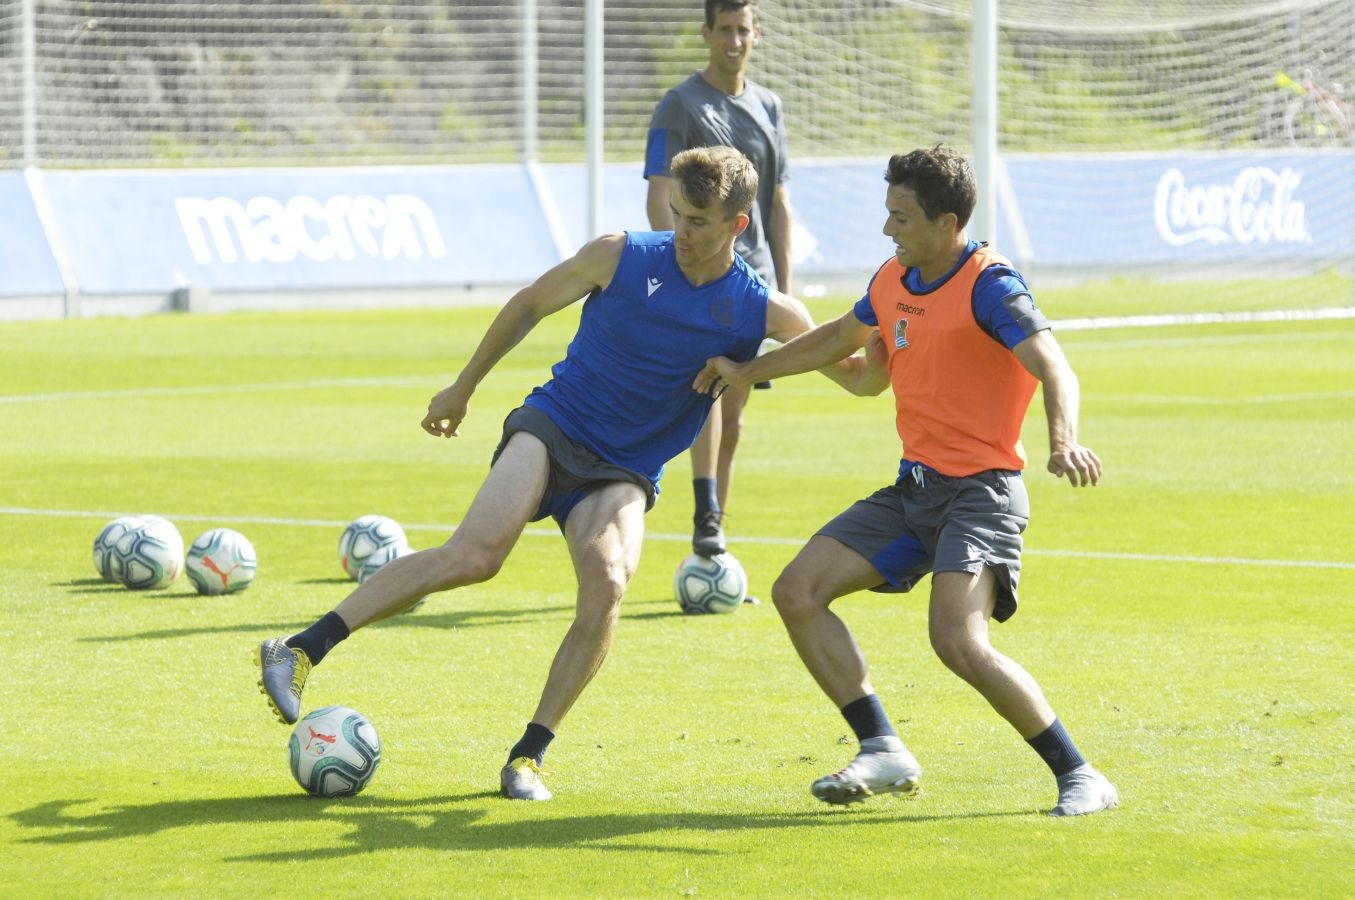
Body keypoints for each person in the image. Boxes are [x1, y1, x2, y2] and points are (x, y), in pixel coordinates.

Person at [255, 146, 884, 801]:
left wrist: (894, 328)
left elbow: (860, 379)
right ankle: (299, 649)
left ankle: (527, 757)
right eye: (676, 214)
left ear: (737, 223)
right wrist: (461, 388)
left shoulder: (763, 311)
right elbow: (530, 304)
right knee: (475, 555)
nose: (681, 233)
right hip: (554, 428)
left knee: (607, 583)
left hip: (625, 470)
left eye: (698, 221)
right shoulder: (620, 254)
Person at [695, 145, 1120, 817]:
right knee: (797, 592)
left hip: (980, 495)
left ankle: (1080, 774)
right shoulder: (894, 278)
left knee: (956, 641)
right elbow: (849, 351)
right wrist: (750, 370)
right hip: (913, 490)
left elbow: (1054, 367)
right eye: (886, 215)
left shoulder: (990, 285)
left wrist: (1061, 440)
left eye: (900, 217)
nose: (887, 230)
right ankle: (882, 747)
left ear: (945, 223)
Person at [645, 0, 791, 562]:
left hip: (751, 279)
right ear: (706, 33)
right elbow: (661, 192)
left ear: (757, 35)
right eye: (724, 29)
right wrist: (677, 262)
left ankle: (714, 532)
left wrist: (785, 281)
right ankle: (705, 511)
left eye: (743, 30)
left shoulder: (769, 106)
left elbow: (776, 201)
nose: (734, 40)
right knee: (704, 392)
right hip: (700, 273)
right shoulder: (679, 105)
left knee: (735, 405)